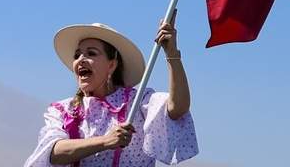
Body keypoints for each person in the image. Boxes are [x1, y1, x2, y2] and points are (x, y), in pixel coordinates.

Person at [24, 16, 198, 167]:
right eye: (77, 55)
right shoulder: (62, 110)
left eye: (91, 53)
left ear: (112, 65)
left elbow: (178, 107)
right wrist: (106, 141)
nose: (81, 59)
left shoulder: (138, 101)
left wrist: (172, 54)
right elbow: (53, 152)